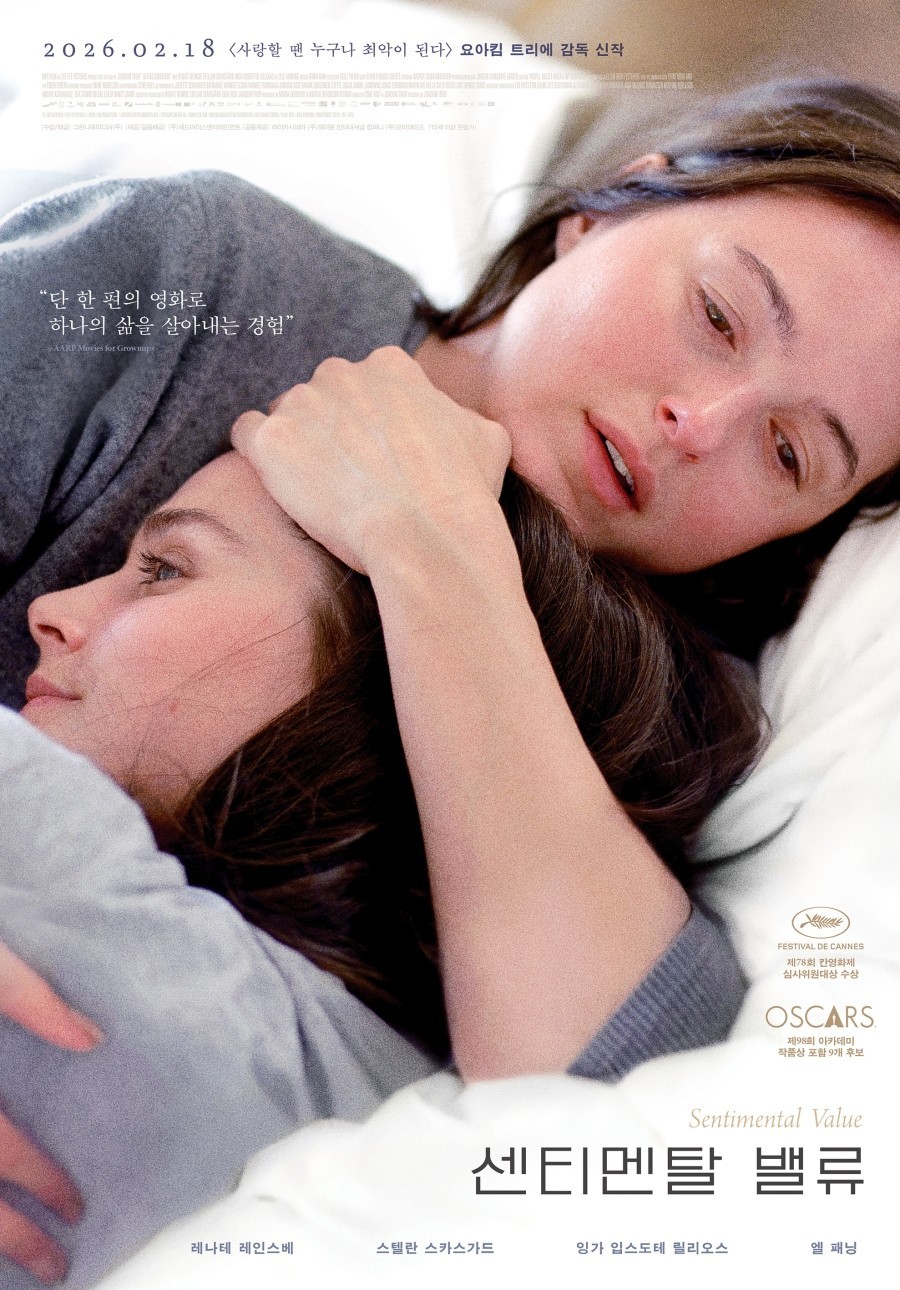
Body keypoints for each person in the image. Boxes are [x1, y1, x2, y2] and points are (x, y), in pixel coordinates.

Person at [0, 72, 897, 1279]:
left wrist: (435, 544)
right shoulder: (207, 291)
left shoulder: (661, 698)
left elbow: (623, 1092)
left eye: (786, 452)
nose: (701, 419)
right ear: (601, 211)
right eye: (720, 316)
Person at [0, 451, 760, 1288]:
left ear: (380, 688)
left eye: (164, 571)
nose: (48, 609)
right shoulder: (409, 1111)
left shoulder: (54, 841)